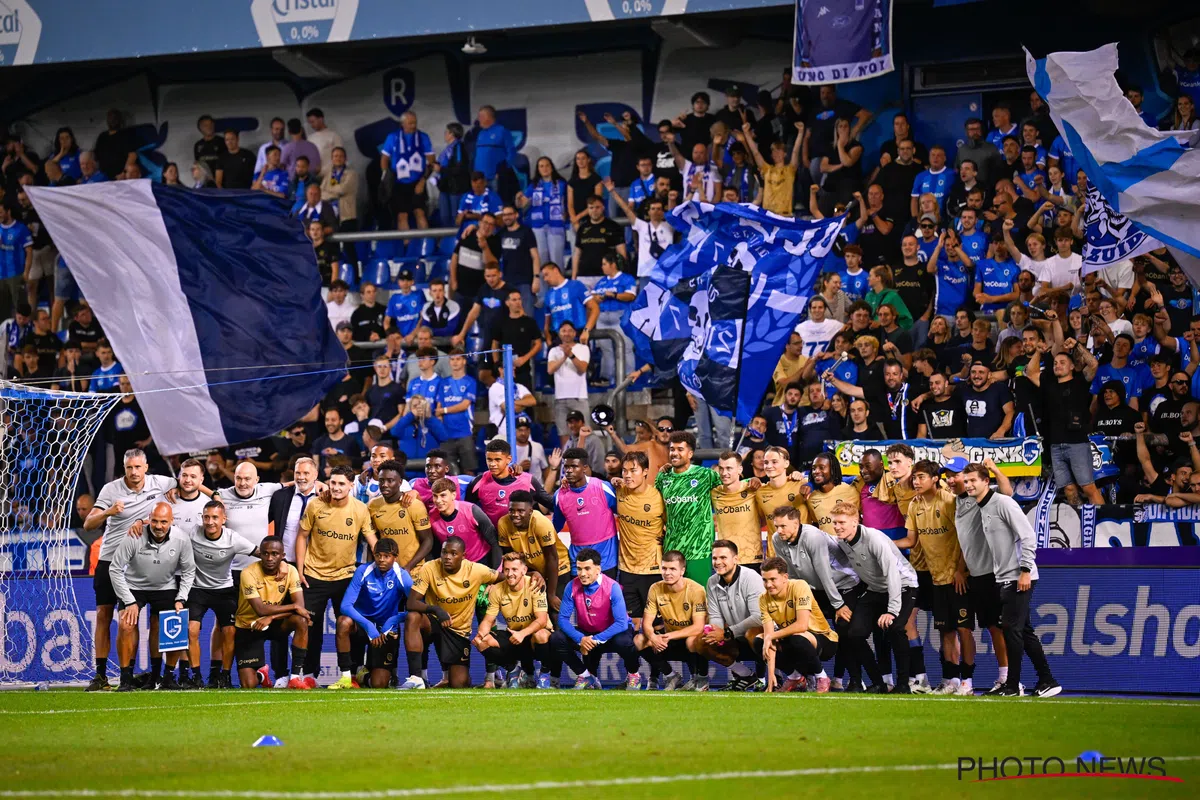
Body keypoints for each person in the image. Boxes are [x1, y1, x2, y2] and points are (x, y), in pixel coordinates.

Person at [81, 449, 178, 691]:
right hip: (110, 558)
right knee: (104, 616)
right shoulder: (110, 490)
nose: (133, 472)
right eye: (129, 468)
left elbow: (187, 484)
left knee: (133, 620)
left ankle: (140, 676)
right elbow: (88, 523)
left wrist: (175, 491)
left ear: (146, 467)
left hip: (139, 563)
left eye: (137, 467)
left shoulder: (161, 482)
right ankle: (101, 675)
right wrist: (108, 512)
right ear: (123, 469)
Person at [962, 464, 1061, 698]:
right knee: (1023, 631)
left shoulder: (1003, 503)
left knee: (1011, 629)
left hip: (1019, 577)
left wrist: (1025, 570)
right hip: (1004, 577)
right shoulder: (982, 507)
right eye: (966, 481)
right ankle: (1047, 680)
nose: (968, 485)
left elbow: (1028, 536)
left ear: (987, 481)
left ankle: (1013, 684)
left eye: (973, 480)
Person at [891, 461, 973, 695]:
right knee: (945, 631)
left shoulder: (949, 502)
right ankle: (950, 680)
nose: (916, 482)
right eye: (914, 478)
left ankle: (965, 681)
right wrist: (883, 544)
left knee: (963, 630)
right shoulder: (914, 506)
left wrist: (960, 570)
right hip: (935, 577)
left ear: (935, 479)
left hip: (956, 576)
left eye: (921, 477)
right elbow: (910, 541)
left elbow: (963, 538)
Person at [294, 465, 377, 685]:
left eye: (342, 484)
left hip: (346, 577)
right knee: (310, 627)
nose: (336, 488)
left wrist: (385, 567)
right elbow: (302, 536)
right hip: (313, 575)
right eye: (333, 483)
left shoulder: (360, 509)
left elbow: (372, 541)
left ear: (351, 485)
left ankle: (351, 674)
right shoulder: (315, 505)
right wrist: (300, 570)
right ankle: (310, 675)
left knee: (351, 625)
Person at [829, 502, 918, 693]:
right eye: (834, 522)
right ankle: (879, 683)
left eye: (842, 522)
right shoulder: (842, 541)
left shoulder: (874, 539)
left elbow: (892, 574)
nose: (837, 527)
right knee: (854, 633)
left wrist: (892, 611)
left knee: (895, 629)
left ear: (855, 521)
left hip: (903, 585)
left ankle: (903, 685)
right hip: (875, 589)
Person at [109, 502, 196, 691]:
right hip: (134, 587)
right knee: (126, 624)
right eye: (155, 521)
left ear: (171, 521)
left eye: (164, 522)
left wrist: (181, 598)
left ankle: (163, 677)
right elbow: (114, 569)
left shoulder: (181, 539)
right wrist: (129, 601)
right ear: (149, 519)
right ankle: (126, 679)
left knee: (172, 625)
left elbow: (189, 571)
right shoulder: (134, 535)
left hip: (165, 587)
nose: (158, 526)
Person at [401, 536, 507, 689]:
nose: (447, 557)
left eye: (453, 553)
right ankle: (416, 677)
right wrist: (436, 609)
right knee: (413, 617)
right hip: (436, 623)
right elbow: (411, 602)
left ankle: (455, 678)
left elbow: (507, 578)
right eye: (444, 552)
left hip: (458, 631)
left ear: (463, 556)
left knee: (459, 683)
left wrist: (534, 575)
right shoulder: (429, 568)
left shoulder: (476, 570)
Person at [176, 500, 257, 689]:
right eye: (206, 517)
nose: (210, 522)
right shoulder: (192, 533)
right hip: (197, 589)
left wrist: (282, 564)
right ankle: (196, 676)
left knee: (229, 631)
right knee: (191, 630)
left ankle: (224, 675)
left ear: (223, 519)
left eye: (214, 517)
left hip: (224, 590)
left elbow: (261, 552)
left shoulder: (233, 538)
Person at [549, 547, 641, 689]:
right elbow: (562, 620)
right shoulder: (571, 586)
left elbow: (622, 623)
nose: (582, 574)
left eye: (587, 568)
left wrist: (594, 640)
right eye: (579, 569)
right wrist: (581, 639)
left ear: (598, 569)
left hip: (611, 634)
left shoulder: (612, 587)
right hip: (587, 635)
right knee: (556, 638)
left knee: (624, 641)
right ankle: (586, 676)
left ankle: (633, 675)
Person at [329, 538, 412, 689]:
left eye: (386, 556)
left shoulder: (402, 576)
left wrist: (393, 620)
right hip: (362, 625)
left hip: (384, 629)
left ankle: (363, 676)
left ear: (395, 557)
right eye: (378, 555)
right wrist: (368, 626)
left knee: (379, 684)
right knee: (343, 621)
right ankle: (346, 677)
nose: (381, 560)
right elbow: (345, 606)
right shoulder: (364, 570)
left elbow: (416, 607)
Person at [234, 535, 312, 690]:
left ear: (282, 556)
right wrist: (293, 607)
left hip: (275, 623)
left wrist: (272, 617)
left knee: (301, 620)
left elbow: (300, 606)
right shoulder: (248, 573)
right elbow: (260, 609)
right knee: (248, 684)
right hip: (249, 625)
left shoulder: (291, 571)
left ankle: (295, 678)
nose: (269, 558)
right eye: (265, 553)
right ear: (260, 554)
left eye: (275, 554)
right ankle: (262, 675)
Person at [755, 557, 838, 693]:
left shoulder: (799, 586)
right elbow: (770, 640)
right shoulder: (763, 598)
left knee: (796, 636)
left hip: (824, 640)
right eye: (765, 580)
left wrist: (771, 636)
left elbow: (802, 625)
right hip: (792, 642)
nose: (768, 584)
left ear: (785, 577)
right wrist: (771, 676)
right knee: (759, 640)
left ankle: (821, 677)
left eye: (773, 579)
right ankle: (795, 678)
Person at [474, 552, 554, 688]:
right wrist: (481, 634)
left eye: (514, 569)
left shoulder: (535, 585)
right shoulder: (497, 589)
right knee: (483, 641)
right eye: (506, 569)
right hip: (515, 635)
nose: (510, 574)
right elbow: (488, 620)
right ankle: (513, 670)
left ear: (524, 570)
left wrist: (522, 634)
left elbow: (541, 620)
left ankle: (544, 674)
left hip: (534, 635)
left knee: (541, 635)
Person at [696, 540, 766, 691]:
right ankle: (745, 675)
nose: (718, 562)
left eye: (723, 558)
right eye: (715, 558)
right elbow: (715, 615)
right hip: (733, 637)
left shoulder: (751, 577)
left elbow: (758, 617)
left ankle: (770, 678)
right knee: (700, 641)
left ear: (735, 559)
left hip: (761, 636)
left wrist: (727, 633)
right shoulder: (712, 582)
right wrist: (715, 633)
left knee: (752, 633)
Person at [635, 550, 709, 691]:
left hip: (689, 639)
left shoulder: (696, 590)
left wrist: (667, 636)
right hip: (668, 640)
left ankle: (700, 680)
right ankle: (671, 675)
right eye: (664, 568)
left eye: (672, 569)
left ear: (682, 570)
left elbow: (698, 627)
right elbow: (646, 623)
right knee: (639, 640)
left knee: (693, 640)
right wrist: (653, 637)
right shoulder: (655, 588)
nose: (667, 573)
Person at [655, 431, 722, 583]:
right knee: (674, 598)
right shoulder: (662, 477)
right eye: (672, 449)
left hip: (699, 549)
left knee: (699, 598)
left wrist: (752, 481)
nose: (674, 453)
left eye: (680, 449)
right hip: (672, 548)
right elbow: (657, 508)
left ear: (690, 453)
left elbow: (730, 490)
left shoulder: (705, 475)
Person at [496, 490, 569, 608]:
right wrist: (532, 573)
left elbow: (552, 558)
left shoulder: (541, 523)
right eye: (511, 510)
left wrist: (551, 595)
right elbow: (511, 560)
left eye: (520, 511)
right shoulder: (503, 523)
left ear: (530, 511)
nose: (515, 514)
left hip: (558, 568)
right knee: (533, 610)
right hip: (533, 569)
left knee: (553, 610)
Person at [552, 447, 619, 574]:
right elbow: (555, 527)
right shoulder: (559, 496)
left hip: (606, 560)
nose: (569, 471)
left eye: (574, 466)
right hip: (578, 562)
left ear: (585, 468)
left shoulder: (603, 488)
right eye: (566, 467)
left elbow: (623, 513)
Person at [465, 438, 555, 527]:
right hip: (491, 538)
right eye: (489, 459)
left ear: (508, 459)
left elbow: (552, 504)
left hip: (521, 538)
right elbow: (467, 512)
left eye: (497, 460)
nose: (492, 464)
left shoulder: (527, 481)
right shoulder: (478, 483)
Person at [366, 459, 434, 574]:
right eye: (381, 481)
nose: (384, 485)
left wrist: (409, 567)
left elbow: (428, 541)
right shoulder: (373, 505)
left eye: (390, 480)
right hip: (386, 571)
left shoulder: (414, 505)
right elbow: (372, 539)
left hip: (413, 571)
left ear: (400, 482)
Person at [583, 248, 637, 386]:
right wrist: (599, 298)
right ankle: (607, 378)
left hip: (620, 316)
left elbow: (631, 295)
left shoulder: (626, 278)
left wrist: (614, 295)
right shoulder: (601, 282)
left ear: (613, 264)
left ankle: (629, 377)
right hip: (602, 317)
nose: (602, 267)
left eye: (604, 264)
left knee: (626, 347)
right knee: (606, 349)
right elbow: (592, 298)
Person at [428, 478, 502, 567]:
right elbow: (435, 548)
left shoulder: (472, 511)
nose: (438, 500)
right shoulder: (431, 517)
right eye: (435, 496)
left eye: (443, 495)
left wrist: (495, 572)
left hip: (481, 563)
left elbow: (494, 542)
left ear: (453, 495)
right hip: (454, 567)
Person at [710, 451, 765, 569]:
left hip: (752, 558)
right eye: (721, 468)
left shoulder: (753, 488)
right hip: (725, 561)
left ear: (740, 470)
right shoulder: (714, 492)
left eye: (729, 468)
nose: (724, 473)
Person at [741, 119, 804, 216]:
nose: (776, 153)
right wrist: (746, 134)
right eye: (774, 151)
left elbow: (795, 151)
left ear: (785, 154)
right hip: (768, 215)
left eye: (779, 151)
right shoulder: (767, 169)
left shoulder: (790, 170)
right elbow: (756, 153)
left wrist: (800, 132)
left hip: (784, 215)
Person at [518, 156, 569, 269]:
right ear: (538, 169)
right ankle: (542, 287)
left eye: (547, 165)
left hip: (556, 225)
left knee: (557, 260)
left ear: (552, 167)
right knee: (541, 261)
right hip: (538, 227)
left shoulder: (561, 184)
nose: (544, 168)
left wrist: (566, 215)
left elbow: (568, 202)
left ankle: (559, 286)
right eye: (541, 166)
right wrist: (518, 200)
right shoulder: (534, 185)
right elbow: (522, 204)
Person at [547, 321, 590, 436]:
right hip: (560, 399)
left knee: (584, 434)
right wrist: (564, 357)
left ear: (575, 333)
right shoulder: (554, 351)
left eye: (570, 331)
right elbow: (550, 370)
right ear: (559, 333)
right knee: (564, 434)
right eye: (564, 331)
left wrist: (571, 355)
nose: (567, 333)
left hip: (579, 397)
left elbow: (582, 369)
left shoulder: (583, 348)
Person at [805, 451, 859, 533]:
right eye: (814, 468)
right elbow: (817, 523)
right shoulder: (812, 498)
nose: (816, 471)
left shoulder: (850, 490)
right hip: (825, 544)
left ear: (832, 470)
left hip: (849, 544)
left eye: (821, 467)